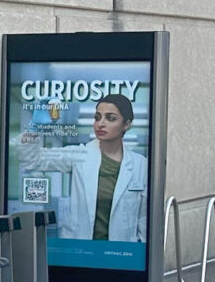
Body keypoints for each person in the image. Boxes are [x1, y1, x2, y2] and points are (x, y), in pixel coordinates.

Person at [17, 93, 148, 245]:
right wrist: (34, 128)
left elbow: (143, 218)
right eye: (97, 117)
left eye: (110, 118)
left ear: (127, 124)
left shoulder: (140, 165)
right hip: (79, 249)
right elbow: (31, 159)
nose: (101, 123)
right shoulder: (80, 155)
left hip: (121, 252)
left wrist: (140, 252)